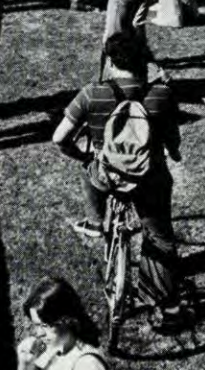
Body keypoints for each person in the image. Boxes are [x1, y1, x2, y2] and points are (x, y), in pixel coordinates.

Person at [52, 30, 182, 309]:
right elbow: (173, 138)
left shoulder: (91, 94)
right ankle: (162, 302)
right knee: (159, 236)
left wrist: (83, 156)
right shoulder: (161, 94)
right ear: (143, 62)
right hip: (149, 177)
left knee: (90, 170)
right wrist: (173, 152)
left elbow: (59, 138)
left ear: (110, 62)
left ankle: (98, 222)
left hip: (107, 175)